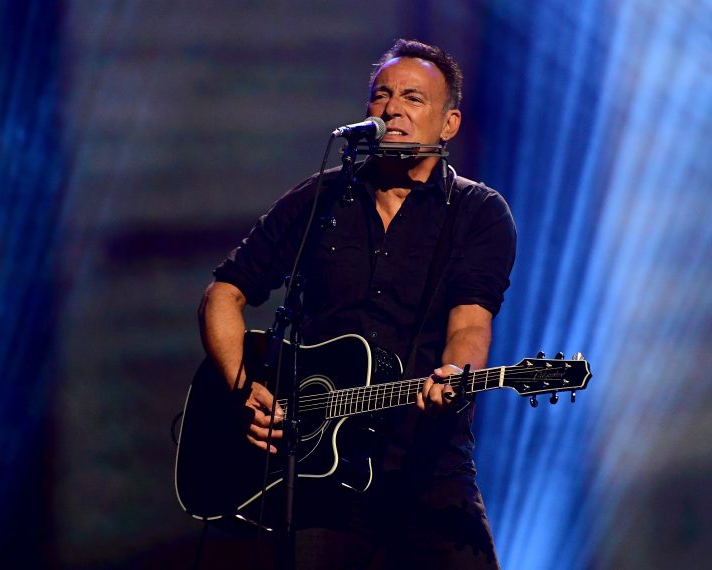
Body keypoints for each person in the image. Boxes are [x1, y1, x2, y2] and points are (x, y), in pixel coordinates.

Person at [199, 39, 516, 569]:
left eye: (413, 98)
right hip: (317, 480)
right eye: (381, 96)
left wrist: (457, 374)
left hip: (428, 470)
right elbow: (223, 294)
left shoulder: (477, 213)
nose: (392, 109)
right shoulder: (318, 200)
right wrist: (239, 386)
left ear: (449, 124)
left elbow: (470, 321)